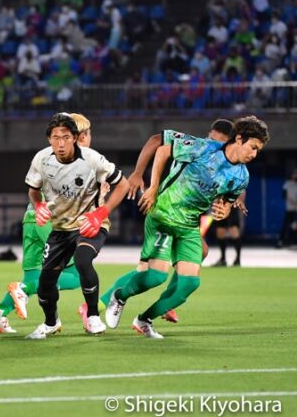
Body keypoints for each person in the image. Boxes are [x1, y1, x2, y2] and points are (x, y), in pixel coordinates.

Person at [106, 116, 269, 338]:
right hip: (163, 215)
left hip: (189, 226)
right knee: (155, 277)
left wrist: (225, 210)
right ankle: (119, 296)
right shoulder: (204, 148)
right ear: (239, 139)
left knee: (189, 284)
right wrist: (153, 188)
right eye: (253, 147)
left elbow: (226, 202)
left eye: (258, 150)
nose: (254, 154)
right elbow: (162, 150)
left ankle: (144, 320)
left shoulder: (242, 176)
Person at [25, 113, 129, 340]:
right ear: (49, 139)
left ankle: (92, 316)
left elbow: (123, 184)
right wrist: (39, 205)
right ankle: (51, 323)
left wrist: (101, 213)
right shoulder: (41, 159)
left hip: (90, 224)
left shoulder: (92, 159)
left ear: (75, 138)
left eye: (65, 137)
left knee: (83, 260)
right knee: (45, 284)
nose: (60, 143)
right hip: (60, 229)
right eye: (55, 138)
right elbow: (33, 189)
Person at [0, 113, 91, 334]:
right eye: (87, 133)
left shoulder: (48, 155)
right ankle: (27, 295)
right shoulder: (75, 159)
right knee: (77, 274)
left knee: (34, 276)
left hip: (32, 218)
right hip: (51, 222)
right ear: (78, 136)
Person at [279, 170, 297, 248]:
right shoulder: (288, 184)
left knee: (295, 225)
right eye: (295, 174)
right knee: (286, 224)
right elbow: (284, 195)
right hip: (290, 208)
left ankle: (294, 242)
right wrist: (291, 200)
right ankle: (281, 241)